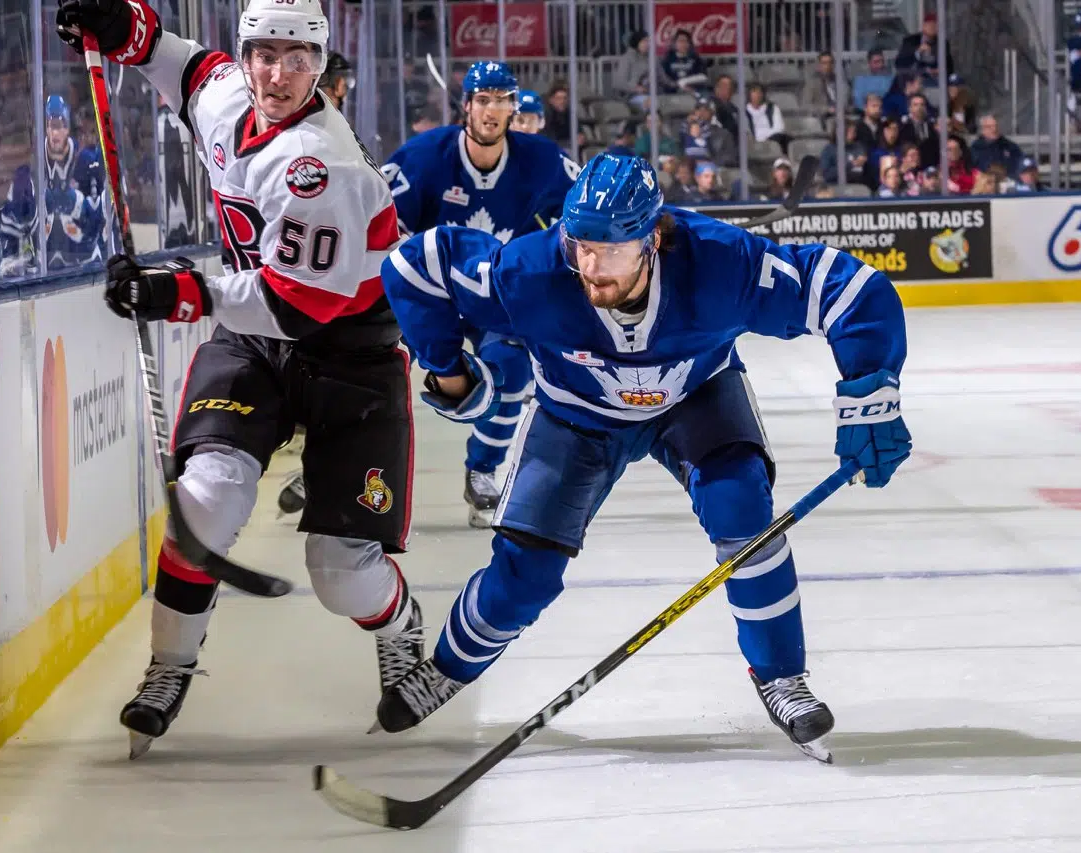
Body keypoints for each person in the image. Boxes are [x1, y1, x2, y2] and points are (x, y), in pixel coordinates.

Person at [371, 154, 911, 764]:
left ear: (652, 237)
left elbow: (852, 290)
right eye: (579, 245)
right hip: (575, 416)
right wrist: (447, 370)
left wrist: (870, 391)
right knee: (523, 577)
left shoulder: (723, 264)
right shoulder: (528, 272)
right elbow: (415, 267)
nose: (589, 265)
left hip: (696, 398)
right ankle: (447, 668)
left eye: (609, 248)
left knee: (745, 520)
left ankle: (780, 675)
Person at [54, 0, 423, 757]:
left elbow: (299, 306)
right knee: (205, 500)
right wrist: (117, 24)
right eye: (264, 54)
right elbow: (171, 58)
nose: (278, 74)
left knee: (340, 574)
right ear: (246, 53)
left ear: (321, 66)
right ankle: (169, 665)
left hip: (348, 349)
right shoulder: (228, 96)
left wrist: (179, 291)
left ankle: (397, 620)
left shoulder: (322, 166)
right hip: (255, 338)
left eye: (297, 58)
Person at [278, 62, 580, 528]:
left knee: (515, 372)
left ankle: (482, 471)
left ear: (512, 108)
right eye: (484, 99)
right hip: (425, 295)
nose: (493, 110)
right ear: (467, 106)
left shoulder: (541, 160)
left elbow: (580, 208)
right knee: (366, 379)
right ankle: (318, 466)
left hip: (494, 297)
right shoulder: (423, 158)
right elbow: (380, 220)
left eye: (502, 100)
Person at [0, 95, 105, 275]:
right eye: (51, 125)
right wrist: (12, 257)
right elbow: (13, 218)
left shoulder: (86, 162)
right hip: (42, 268)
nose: (55, 132)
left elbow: (98, 221)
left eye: (60, 125)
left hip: (81, 265)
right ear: (45, 128)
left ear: (68, 128)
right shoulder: (31, 168)